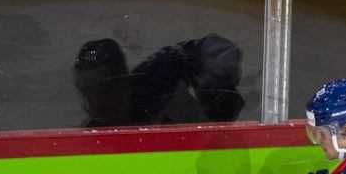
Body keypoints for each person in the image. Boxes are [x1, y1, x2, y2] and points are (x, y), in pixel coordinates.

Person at [73, 33, 245, 127]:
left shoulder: (159, 87)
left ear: (123, 81)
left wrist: (215, 88)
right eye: (87, 92)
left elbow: (219, 50)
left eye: (103, 90)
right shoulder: (93, 132)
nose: (95, 102)